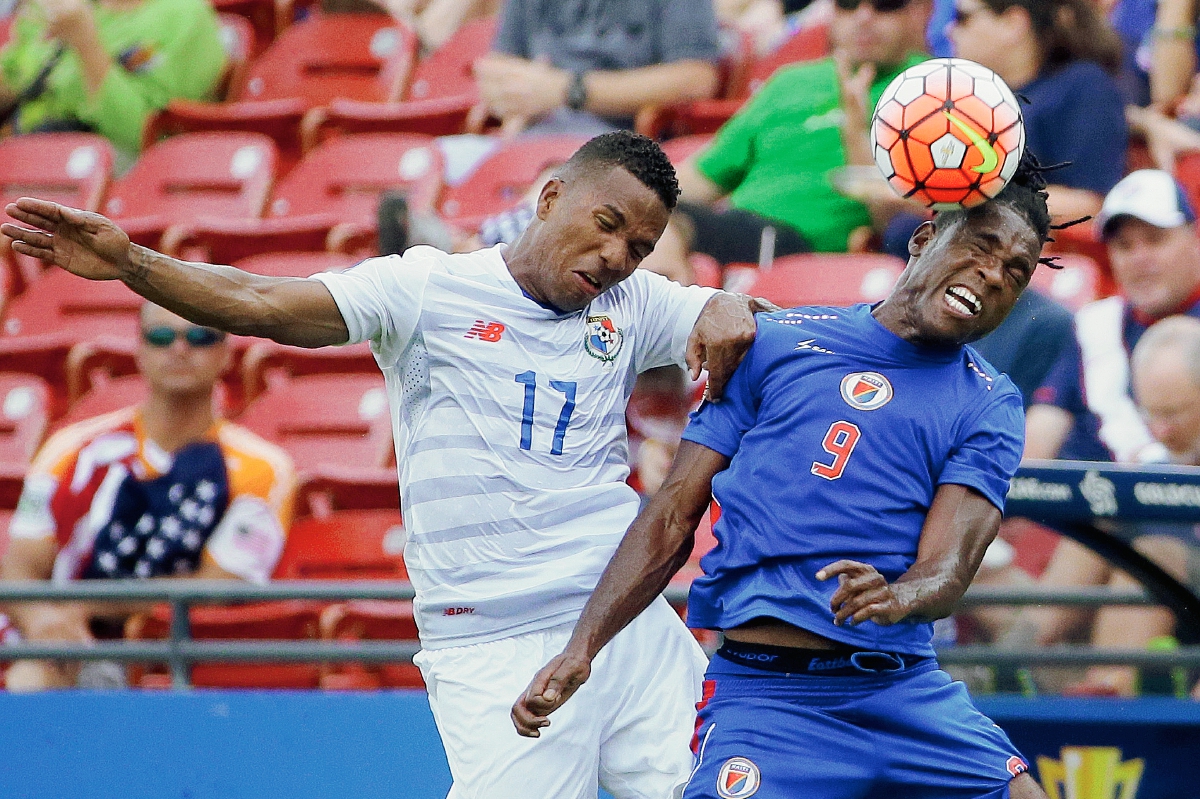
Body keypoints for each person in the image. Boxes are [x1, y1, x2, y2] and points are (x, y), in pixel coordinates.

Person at [1, 131, 764, 799]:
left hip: (621, 622)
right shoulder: (428, 288)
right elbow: (262, 301)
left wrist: (731, 304)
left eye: (637, 247)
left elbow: (743, 321)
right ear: (551, 196)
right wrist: (131, 262)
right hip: (498, 642)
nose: (615, 256)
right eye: (606, 227)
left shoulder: (631, 304)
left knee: (736, 785)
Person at [512, 151, 1057, 799]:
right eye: (980, 246)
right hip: (768, 698)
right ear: (923, 237)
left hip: (901, 691)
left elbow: (950, 565)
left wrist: (903, 595)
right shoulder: (773, 343)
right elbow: (670, 515)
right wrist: (582, 649)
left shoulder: (987, 400)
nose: (992, 273)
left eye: (1015, 271)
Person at [0, 302, 296, 691]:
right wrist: (42, 620)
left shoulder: (264, 467)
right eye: (160, 337)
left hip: (184, 654)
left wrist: (87, 605)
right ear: (138, 350)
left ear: (227, 354)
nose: (179, 349)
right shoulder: (71, 451)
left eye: (200, 336)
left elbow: (217, 587)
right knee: (31, 678)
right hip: (68, 647)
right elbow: (20, 567)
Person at [999, 169, 1200, 669]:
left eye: (1155, 240)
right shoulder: (1095, 330)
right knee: (1091, 535)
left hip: (1180, 544)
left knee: (1144, 552)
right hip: (1091, 543)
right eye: (1125, 246)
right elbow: (1038, 438)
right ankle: (1014, 669)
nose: (1140, 259)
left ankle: (1095, 702)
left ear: (1194, 239)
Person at [674, 0, 931, 263]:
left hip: (802, 248)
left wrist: (855, 130)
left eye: (885, 6)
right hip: (734, 228)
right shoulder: (790, 81)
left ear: (920, 11)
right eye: (848, 4)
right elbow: (702, 178)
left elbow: (898, 221)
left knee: (670, 229)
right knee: (653, 214)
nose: (863, 17)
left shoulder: (932, 88)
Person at [1057, 314, 1200, 697]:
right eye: (1150, 414)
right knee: (1092, 536)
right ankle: (1014, 660)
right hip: (1176, 607)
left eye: (1173, 414)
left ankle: (1109, 694)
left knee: (1154, 556)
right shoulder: (1152, 465)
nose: (1160, 430)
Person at [947, 0, 1127, 225]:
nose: (949, 30)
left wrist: (968, 198)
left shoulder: (1084, 87)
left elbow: (1091, 204)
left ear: (1013, 24)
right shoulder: (969, 97)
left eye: (962, 18)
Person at [0, 0, 227, 160]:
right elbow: (12, 80)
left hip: (113, 164)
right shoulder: (61, 7)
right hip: (26, 150)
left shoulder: (183, 14)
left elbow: (146, 132)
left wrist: (85, 42)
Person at [473, 0, 722, 137]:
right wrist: (508, 96)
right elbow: (499, 63)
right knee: (439, 162)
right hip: (526, 134)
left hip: (619, 142)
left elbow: (696, 78)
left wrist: (568, 89)